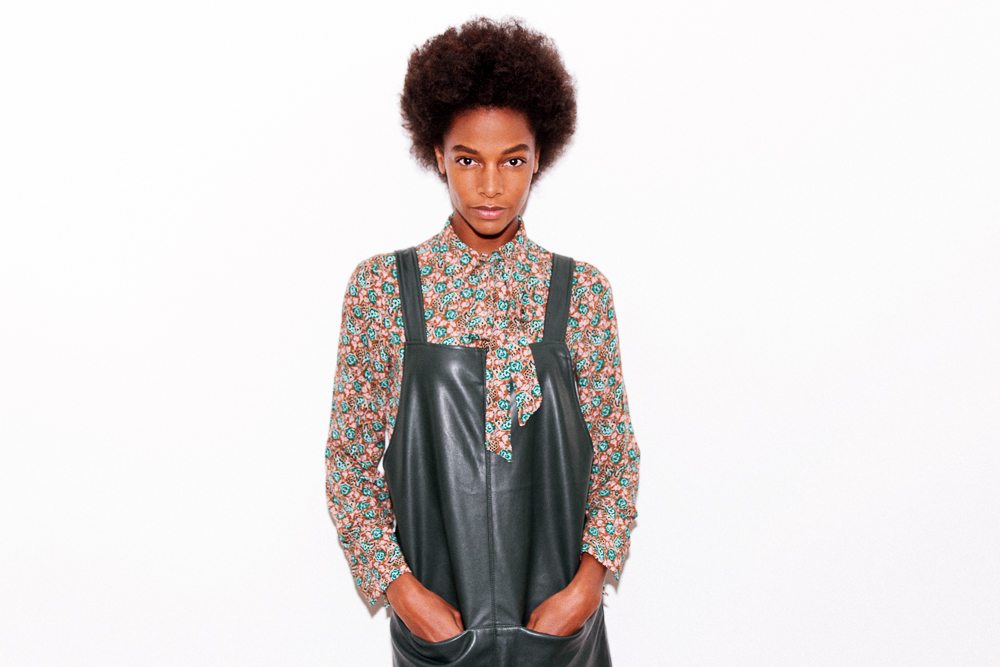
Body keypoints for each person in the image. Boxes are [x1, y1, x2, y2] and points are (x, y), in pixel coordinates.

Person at [326, 17, 640, 666]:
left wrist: (584, 591)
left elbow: (616, 454)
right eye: (468, 159)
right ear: (438, 154)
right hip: (439, 635)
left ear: (539, 157)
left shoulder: (581, 292)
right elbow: (349, 461)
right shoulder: (383, 289)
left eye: (512, 160)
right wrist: (406, 595)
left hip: (561, 634)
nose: (490, 185)